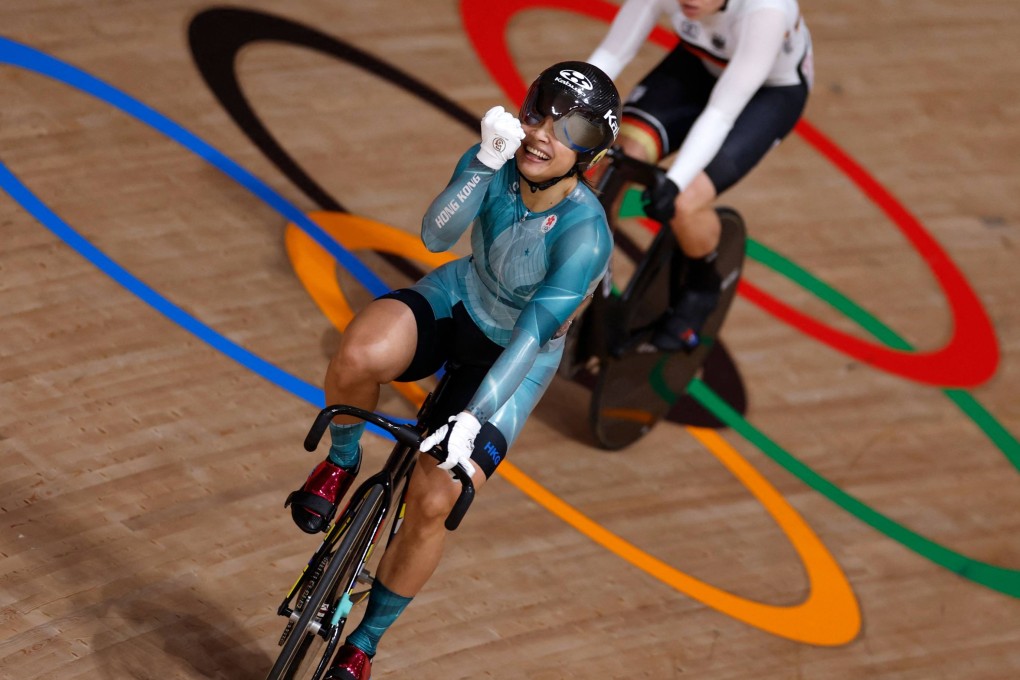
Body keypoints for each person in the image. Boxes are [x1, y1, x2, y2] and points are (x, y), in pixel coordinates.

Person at [283, 61, 621, 679]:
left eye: (568, 129)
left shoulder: (586, 237)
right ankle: (342, 458)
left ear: (590, 156)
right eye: (538, 114)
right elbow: (437, 236)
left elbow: (530, 336)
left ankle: (365, 643)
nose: (544, 135)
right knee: (358, 352)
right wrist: (482, 165)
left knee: (435, 496)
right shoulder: (498, 157)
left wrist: (475, 415)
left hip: (515, 357)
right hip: (461, 298)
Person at [587, 0, 813, 350]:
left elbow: (722, 114)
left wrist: (674, 182)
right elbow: (612, 53)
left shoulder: (766, 12)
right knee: (609, 169)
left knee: (685, 202)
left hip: (768, 92)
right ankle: (589, 285)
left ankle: (703, 285)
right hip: (699, 64)